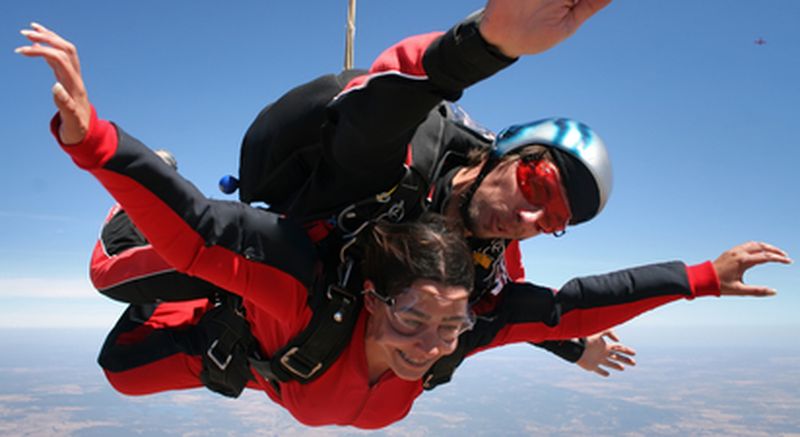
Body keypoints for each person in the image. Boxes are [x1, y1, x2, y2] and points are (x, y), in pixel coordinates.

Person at [17, 17, 792, 430]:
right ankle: (129, 222)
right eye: (536, 184)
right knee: (111, 278)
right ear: (508, 151)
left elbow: (549, 308)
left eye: (552, 221)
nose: (529, 216)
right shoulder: (392, 160)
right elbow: (385, 101)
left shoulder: (483, 280)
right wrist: (486, 43)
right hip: (287, 251)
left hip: (281, 352)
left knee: (122, 368)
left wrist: (696, 280)